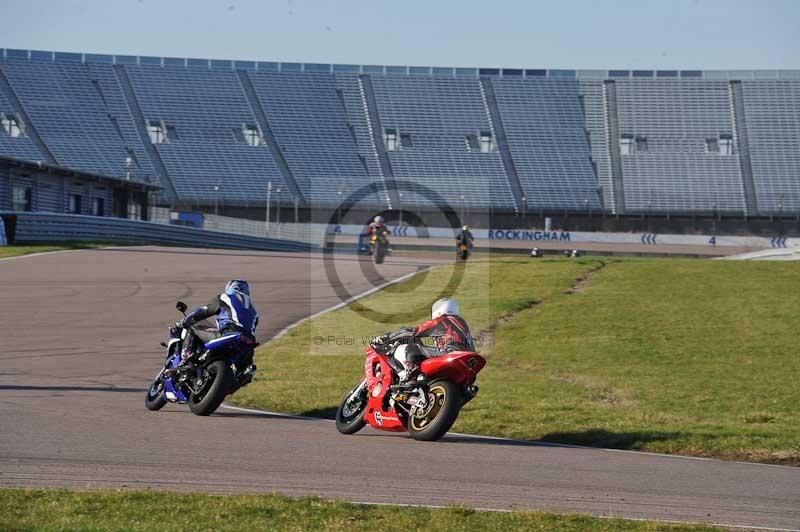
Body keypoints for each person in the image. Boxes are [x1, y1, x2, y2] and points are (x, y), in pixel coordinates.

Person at [380, 298, 474, 384]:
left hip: (450, 353)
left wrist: (387, 337)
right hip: (469, 360)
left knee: (411, 348)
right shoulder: (462, 323)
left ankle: (409, 376)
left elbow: (414, 332)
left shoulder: (441, 320)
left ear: (439, 310)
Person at [177, 279, 259, 371]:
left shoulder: (225, 297)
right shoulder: (254, 312)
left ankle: (186, 356)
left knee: (192, 327)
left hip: (230, 331)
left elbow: (205, 311)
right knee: (244, 370)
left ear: (229, 288)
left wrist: (187, 320)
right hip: (248, 343)